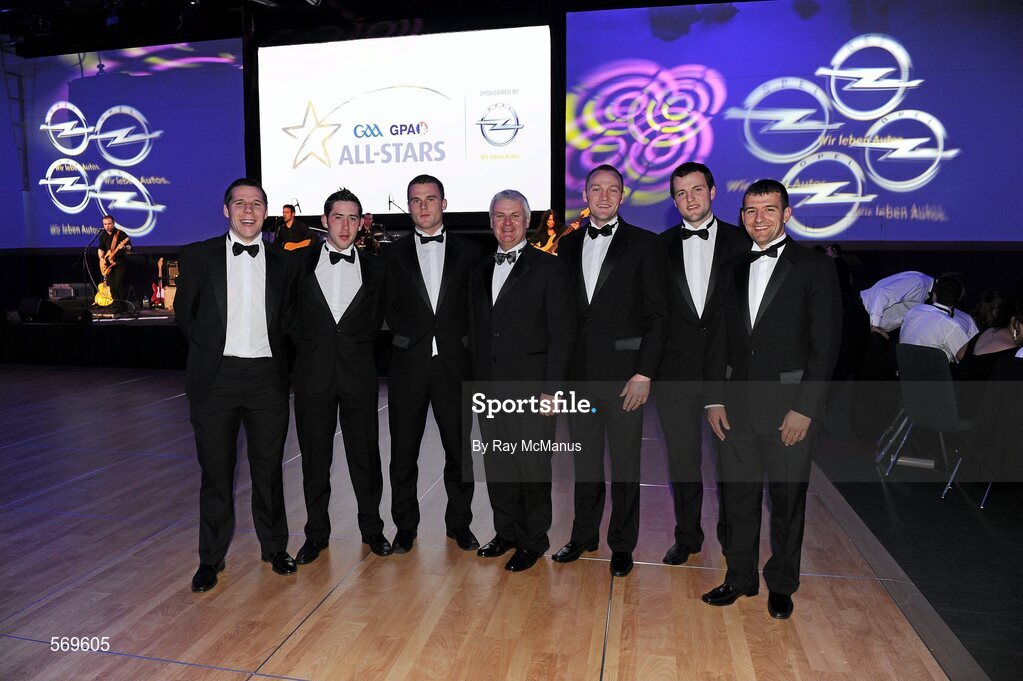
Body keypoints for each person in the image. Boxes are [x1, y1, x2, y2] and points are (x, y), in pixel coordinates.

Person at [702, 179, 842, 620]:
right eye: (750, 210)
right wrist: (713, 399)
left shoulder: (814, 267)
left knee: (786, 504)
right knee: (737, 501)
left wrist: (804, 408)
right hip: (735, 411)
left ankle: (781, 584)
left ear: (787, 213)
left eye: (768, 210)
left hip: (790, 412)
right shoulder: (730, 267)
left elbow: (825, 347)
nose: (758, 218)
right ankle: (740, 577)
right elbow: (718, 340)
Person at [176, 178, 301, 593]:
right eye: (241, 203)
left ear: (266, 212)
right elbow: (185, 316)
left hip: (267, 379)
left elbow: (287, 317)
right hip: (216, 381)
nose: (249, 211)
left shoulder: (284, 262)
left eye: (257, 204)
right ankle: (210, 559)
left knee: (269, 471)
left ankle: (274, 548)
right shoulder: (198, 256)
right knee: (216, 475)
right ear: (226, 209)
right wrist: (216, 349)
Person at [552, 164, 669, 577]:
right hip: (578, 377)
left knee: (625, 466)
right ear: (585, 196)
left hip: (625, 379)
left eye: (612, 190)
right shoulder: (567, 245)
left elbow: (659, 317)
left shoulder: (645, 244)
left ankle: (622, 544)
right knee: (584, 464)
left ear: (622, 196)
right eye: (596, 189)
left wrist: (644, 373)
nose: (604, 196)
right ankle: (583, 535)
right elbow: (564, 317)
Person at [468, 189, 577, 572]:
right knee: (498, 464)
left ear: (528, 222)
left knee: (532, 467)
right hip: (489, 388)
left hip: (533, 390)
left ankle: (533, 540)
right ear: (490, 222)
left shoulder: (549, 268)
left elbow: (562, 335)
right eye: (500, 216)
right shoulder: (480, 269)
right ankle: (506, 533)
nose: (507, 223)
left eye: (515, 216)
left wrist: (552, 390)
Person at [655, 162, 748, 566]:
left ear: (712, 192)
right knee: (682, 463)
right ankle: (687, 536)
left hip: (726, 375)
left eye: (696, 190)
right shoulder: (658, 247)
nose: (689, 199)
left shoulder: (743, 242)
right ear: (674, 200)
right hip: (674, 375)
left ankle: (731, 538)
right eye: (681, 193)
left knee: (731, 463)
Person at [290, 188, 391, 563]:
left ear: (361, 223)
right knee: (315, 461)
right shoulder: (298, 264)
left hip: (358, 376)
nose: (345, 226)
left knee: (366, 458)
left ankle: (372, 529)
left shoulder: (376, 268)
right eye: (338, 217)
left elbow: (378, 318)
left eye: (352, 218)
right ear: (324, 221)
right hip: (312, 375)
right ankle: (316, 534)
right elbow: (287, 316)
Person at [382, 175, 481, 554]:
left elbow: (477, 308)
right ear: (408, 206)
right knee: (403, 454)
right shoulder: (392, 254)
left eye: (430, 199)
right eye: (416, 200)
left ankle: (460, 524)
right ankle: (405, 526)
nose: (423, 206)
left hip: (455, 366)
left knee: (459, 453)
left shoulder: (470, 252)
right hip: (408, 365)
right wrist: (404, 337)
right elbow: (387, 306)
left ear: (444, 203)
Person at [954, 294, 1022, 418]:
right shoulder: (1013, 353)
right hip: (979, 414)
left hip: (955, 402)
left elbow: (960, 354)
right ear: (1015, 321)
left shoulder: (987, 331)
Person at [899, 272, 978, 363]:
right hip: (930, 371)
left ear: (934, 294)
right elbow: (967, 359)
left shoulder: (914, 310)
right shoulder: (952, 326)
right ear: (959, 298)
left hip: (903, 368)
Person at [97, 215, 130, 306]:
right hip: (108, 265)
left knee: (118, 284)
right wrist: (102, 259)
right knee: (111, 286)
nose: (107, 226)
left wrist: (124, 247)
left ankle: (123, 306)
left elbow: (129, 246)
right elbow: (100, 249)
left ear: (113, 223)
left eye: (109, 224)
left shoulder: (121, 234)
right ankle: (116, 305)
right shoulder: (103, 235)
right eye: (105, 224)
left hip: (119, 263)